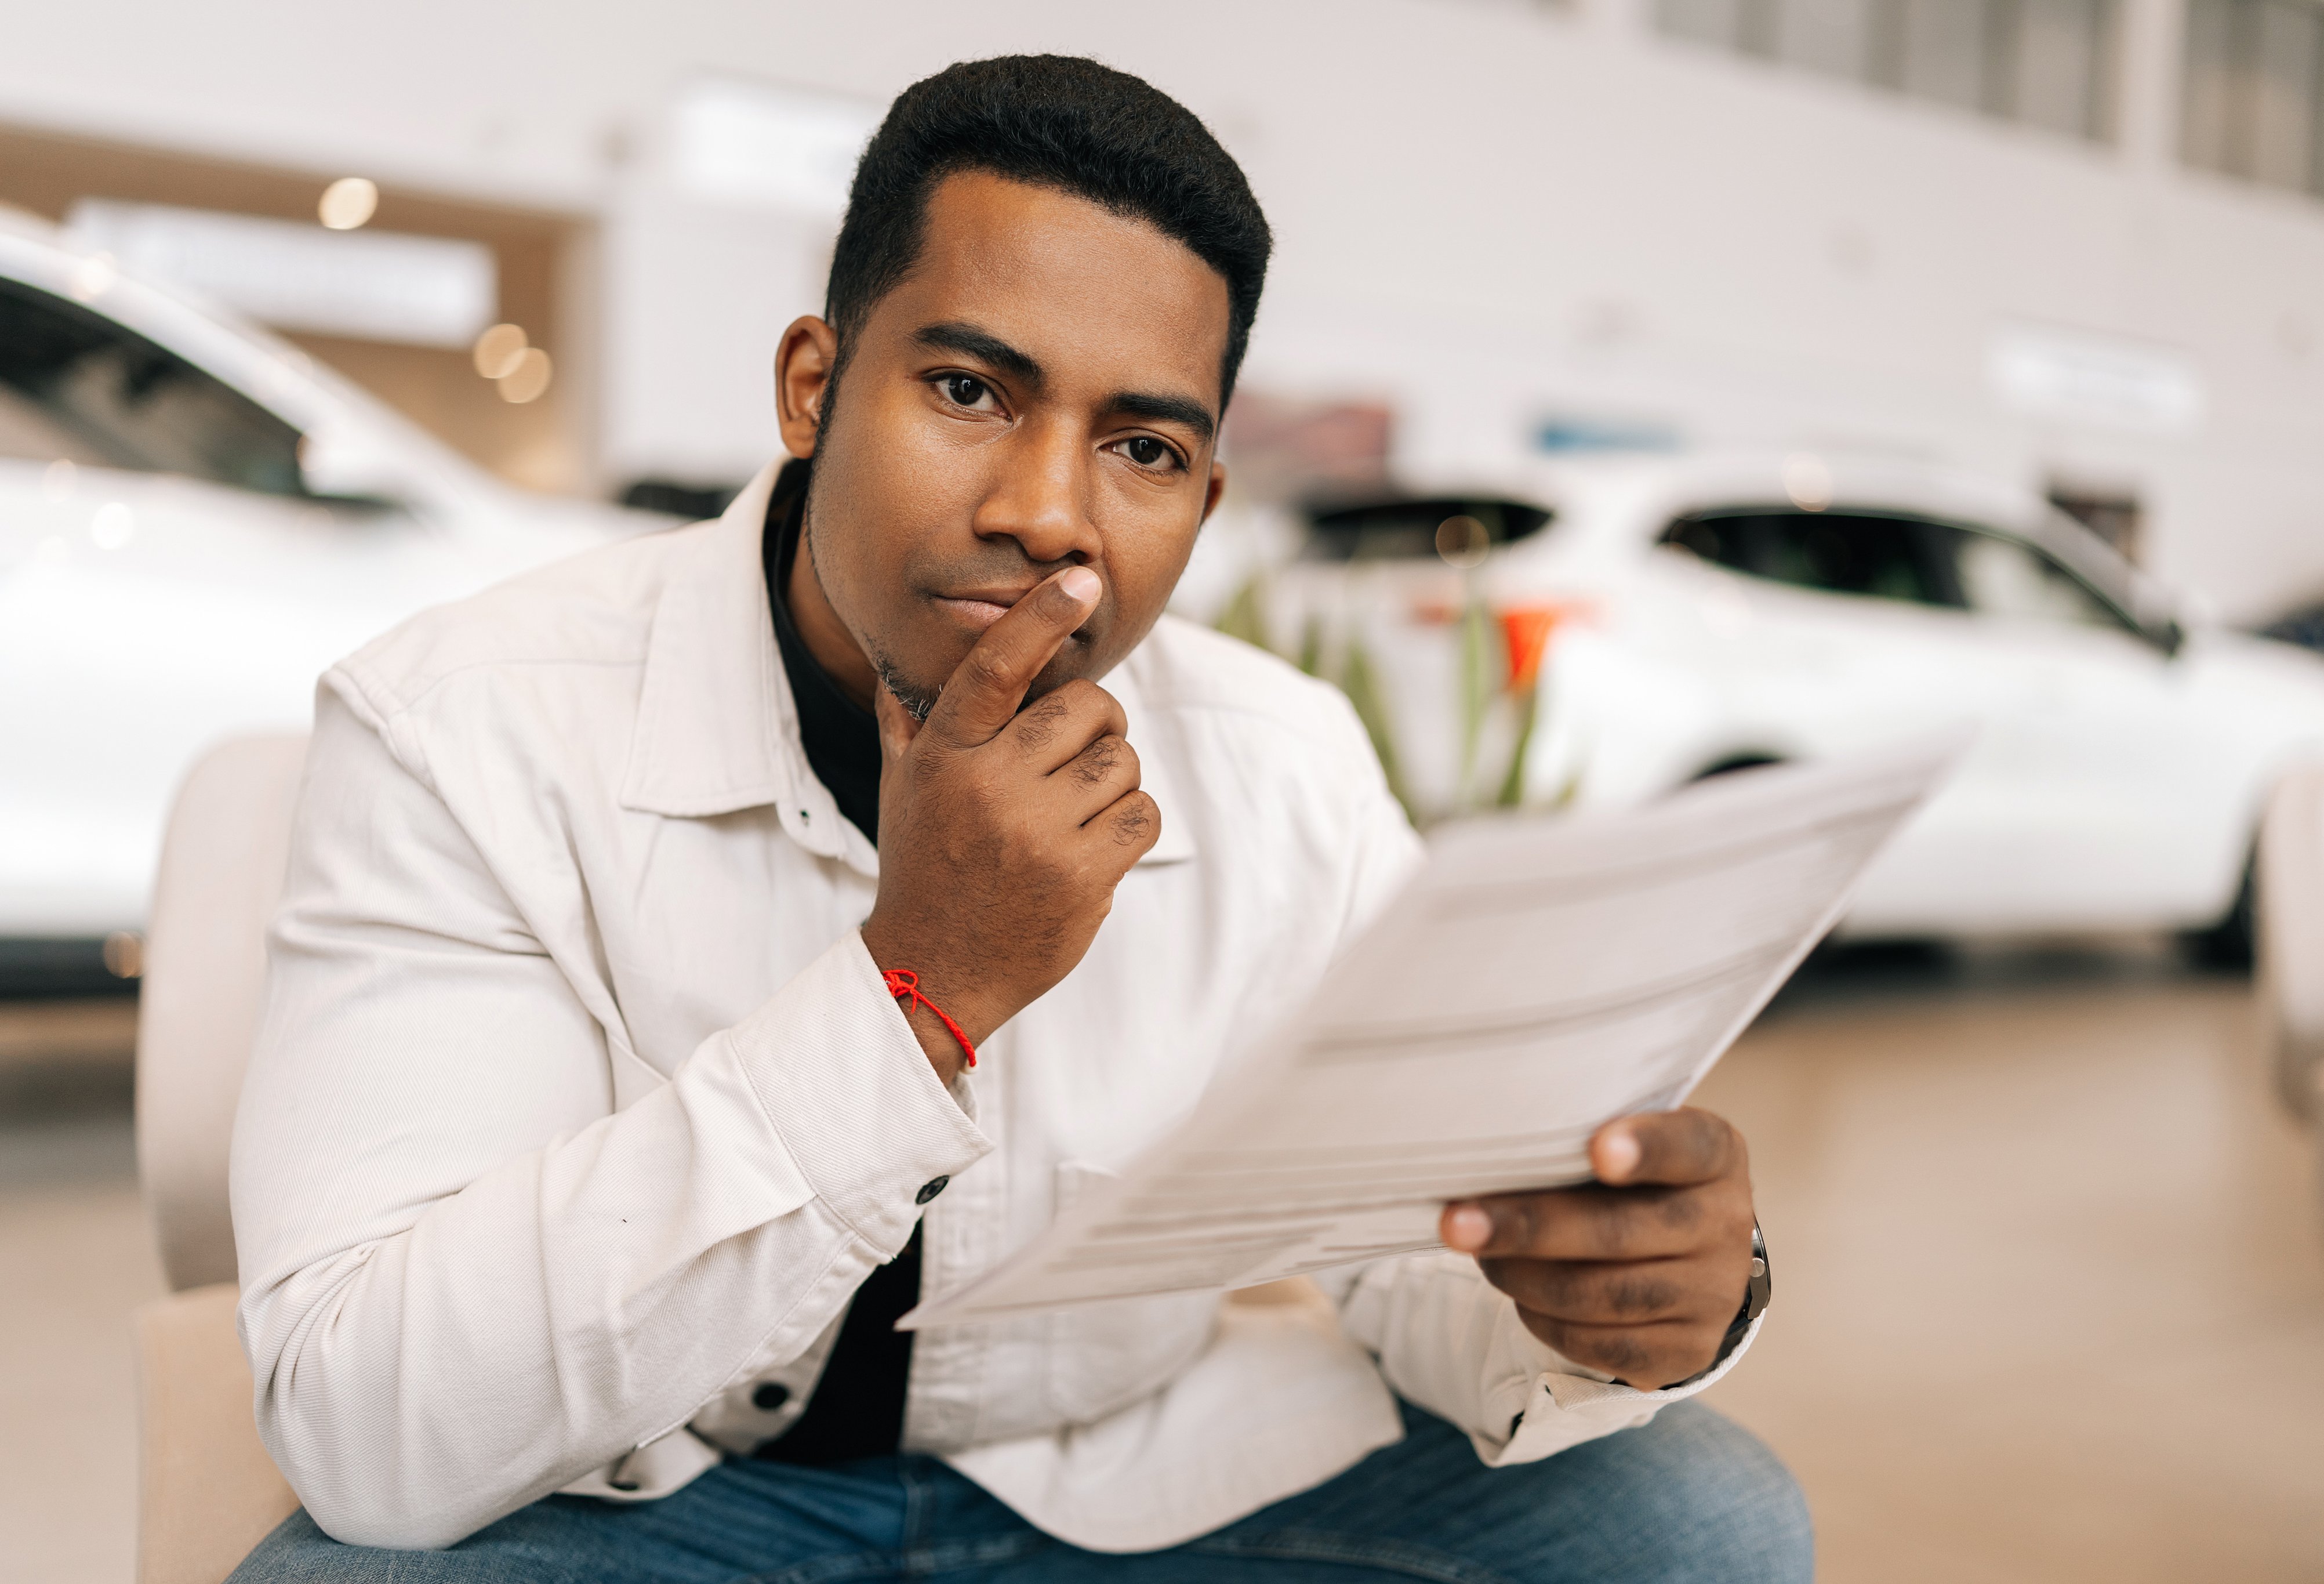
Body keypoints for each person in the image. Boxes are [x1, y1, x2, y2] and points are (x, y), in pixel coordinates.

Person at [226, 55, 1809, 1583]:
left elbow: (1410, 1257)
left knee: (1695, 1521)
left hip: (1128, 1494)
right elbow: (371, 1425)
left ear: (1201, 497)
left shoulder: (1282, 763)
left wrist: (1608, 1298)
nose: (1050, 513)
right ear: (812, 386)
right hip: (665, 1499)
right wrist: (919, 989)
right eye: (972, 389)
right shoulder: (463, 725)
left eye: (1141, 446)